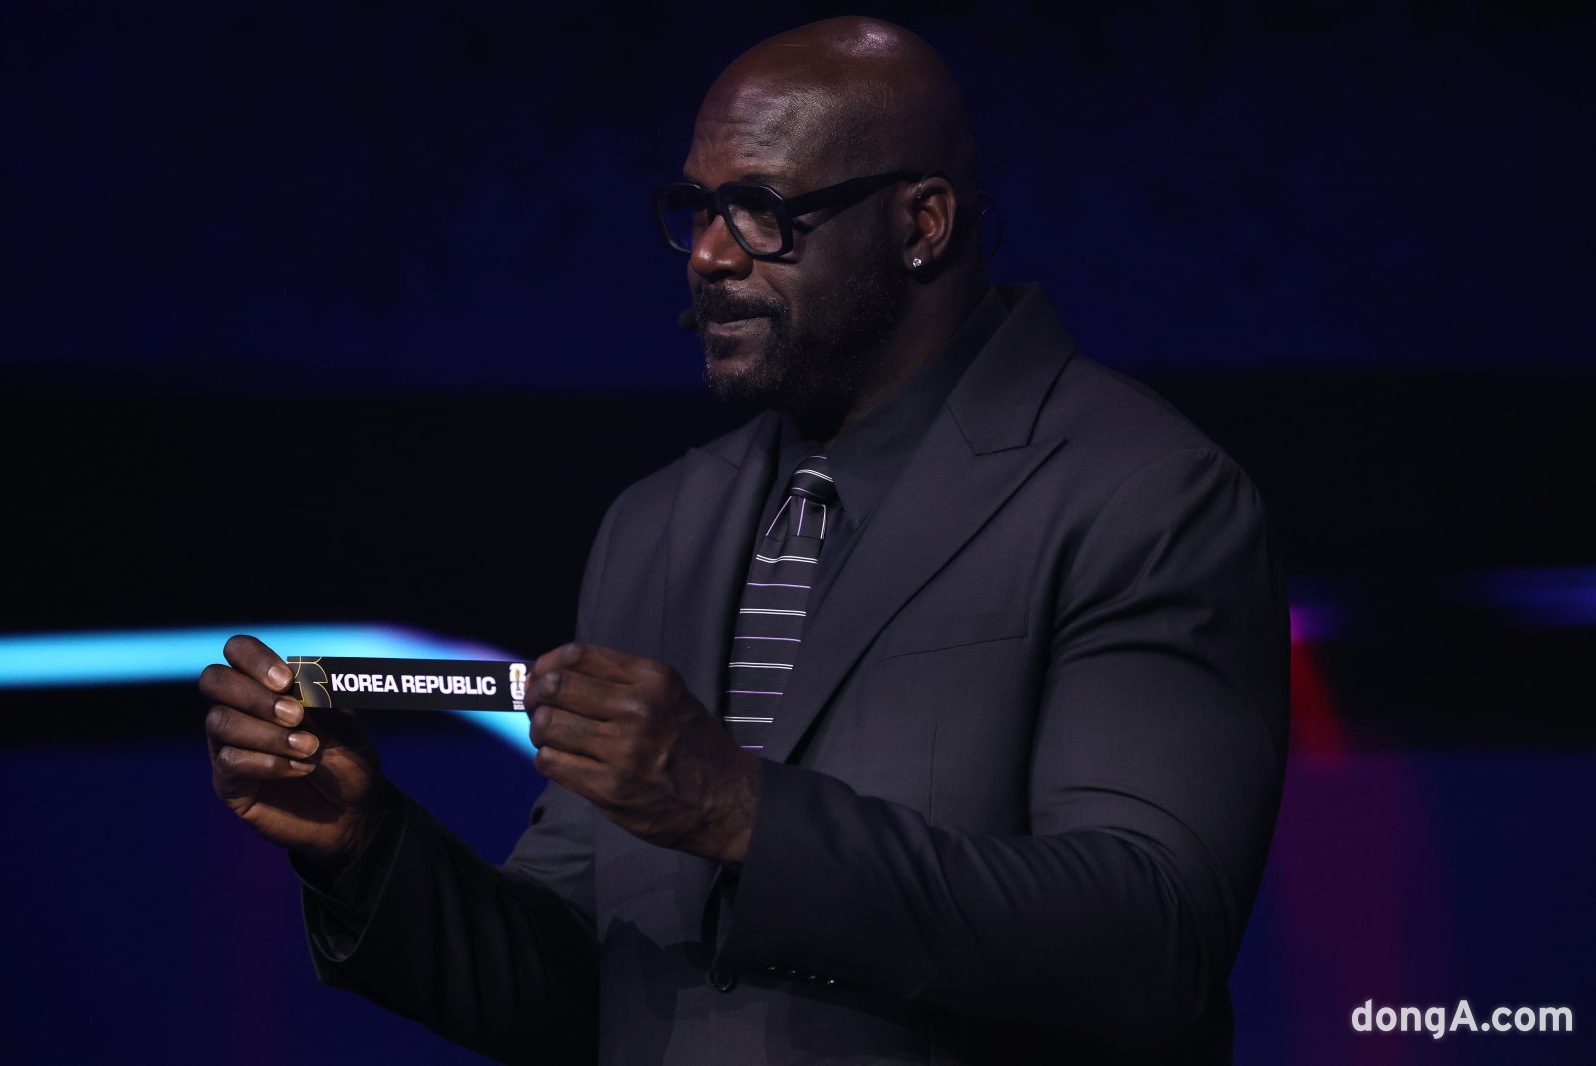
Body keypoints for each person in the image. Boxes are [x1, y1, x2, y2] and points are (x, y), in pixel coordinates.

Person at [201, 15, 1289, 1065]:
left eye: (760, 209)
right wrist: (366, 848)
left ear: (922, 224)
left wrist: (742, 812)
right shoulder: (657, 525)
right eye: (696, 208)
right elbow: (591, 990)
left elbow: (1152, 947)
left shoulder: (1143, 494)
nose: (709, 254)